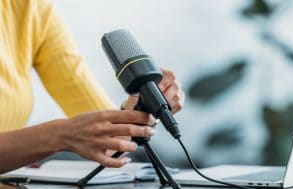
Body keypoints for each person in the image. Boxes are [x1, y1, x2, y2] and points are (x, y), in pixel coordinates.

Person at [0, 0, 185, 173]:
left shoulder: (30, 8)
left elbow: (110, 144)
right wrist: (60, 135)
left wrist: (139, 106)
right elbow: (70, 135)